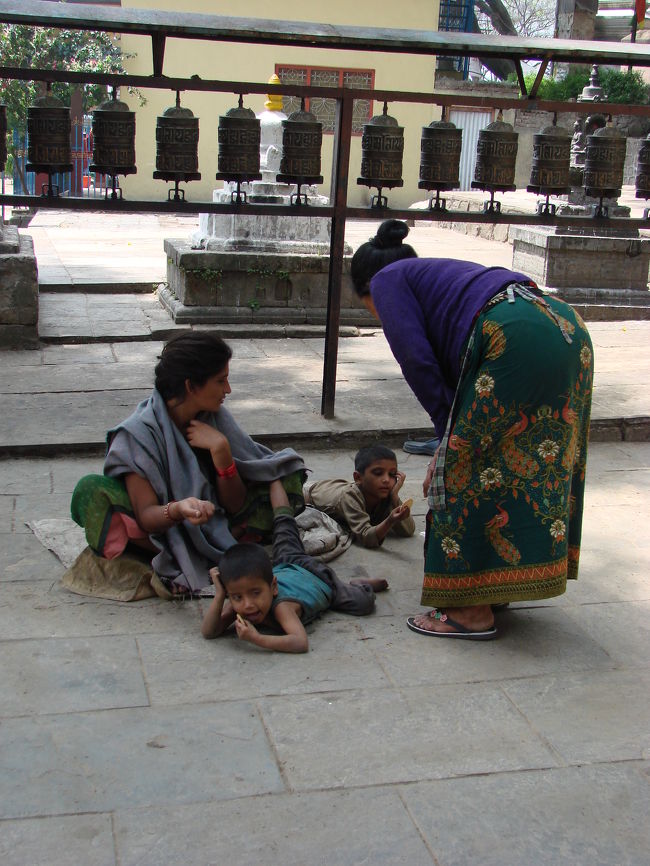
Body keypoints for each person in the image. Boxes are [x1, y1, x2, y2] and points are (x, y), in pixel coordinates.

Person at [350, 219, 593, 640]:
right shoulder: (440, 276)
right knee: (531, 460)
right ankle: (495, 584)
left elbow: (418, 363)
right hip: (567, 327)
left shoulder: (386, 280)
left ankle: (469, 611)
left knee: (458, 470)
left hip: (514, 335)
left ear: (365, 290)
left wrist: (447, 440)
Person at [71, 332, 306, 597]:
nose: (228, 390)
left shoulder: (213, 417)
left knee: (285, 474)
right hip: (165, 527)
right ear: (191, 386)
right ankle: (200, 544)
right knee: (91, 491)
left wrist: (222, 452)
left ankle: (214, 539)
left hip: (215, 517)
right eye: (221, 381)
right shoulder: (137, 436)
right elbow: (147, 516)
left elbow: (235, 504)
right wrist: (178, 509)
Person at [201, 479, 387, 652]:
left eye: (256, 593)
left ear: (273, 587)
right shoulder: (241, 601)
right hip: (289, 564)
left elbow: (300, 642)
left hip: (320, 579)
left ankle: (358, 585)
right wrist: (220, 596)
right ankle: (274, 477)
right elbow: (209, 632)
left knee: (363, 603)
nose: (248, 605)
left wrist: (257, 638)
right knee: (284, 527)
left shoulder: (282, 607)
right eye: (236, 597)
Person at [304, 444, 415, 548]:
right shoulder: (349, 497)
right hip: (313, 494)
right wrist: (389, 521)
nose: (386, 480)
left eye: (392, 474)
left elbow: (408, 531)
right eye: (378, 473)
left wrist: (395, 496)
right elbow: (366, 537)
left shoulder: (385, 493)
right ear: (358, 477)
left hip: (341, 486)